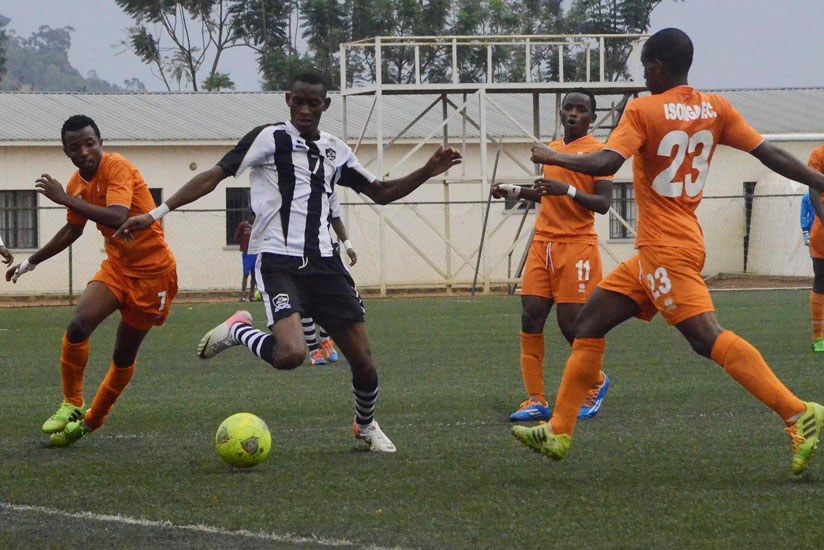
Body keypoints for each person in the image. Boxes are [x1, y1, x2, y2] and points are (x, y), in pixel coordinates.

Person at [513, 28, 824, 476]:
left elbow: (605, 163)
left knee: (706, 337)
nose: (643, 77)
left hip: (665, 249)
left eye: (644, 68)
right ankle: (559, 431)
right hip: (668, 245)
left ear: (658, 67)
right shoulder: (715, 108)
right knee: (588, 324)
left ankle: (799, 412)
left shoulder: (644, 109)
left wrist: (552, 156)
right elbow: (769, 153)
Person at [115, 71, 461, 453]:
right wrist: (154, 214)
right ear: (287, 100)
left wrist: (427, 171)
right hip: (278, 262)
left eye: (314, 104)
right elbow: (214, 175)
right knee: (291, 355)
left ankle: (364, 426)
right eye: (299, 102)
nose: (305, 110)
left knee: (364, 364)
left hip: (327, 266)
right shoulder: (269, 137)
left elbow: (380, 192)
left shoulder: (335, 150)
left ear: (325, 105)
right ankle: (238, 332)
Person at [5, 114, 178, 447]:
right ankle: (72, 404)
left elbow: (117, 217)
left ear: (101, 143)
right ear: (66, 151)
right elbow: (73, 229)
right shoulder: (75, 184)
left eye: (90, 143)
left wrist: (64, 199)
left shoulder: (117, 167)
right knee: (79, 324)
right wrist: (31, 262)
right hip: (117, 268)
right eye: (75, 147)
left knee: (123, 354)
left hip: (153, 275)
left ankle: (92, 421)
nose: (84, 151)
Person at [492, 89, 613, 422]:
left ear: (592, 117)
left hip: (577, 247)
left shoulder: (600, 154)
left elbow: (603, 204)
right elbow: (547, 194)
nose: (574, 113)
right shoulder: (553, 151)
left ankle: (596, 382)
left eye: (581, 109)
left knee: (572, 326)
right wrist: (513, 191)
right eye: (568, 108)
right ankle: (535, 399)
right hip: (542, 244)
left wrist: (569, 190)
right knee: (530, 316)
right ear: (560, 114)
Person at [305, 190, 358, 365]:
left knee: (334, 299)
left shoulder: (330, 189)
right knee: (306, 302)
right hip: (300, 254)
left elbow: (335, 218)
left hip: (327, 253)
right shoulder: (294, 182)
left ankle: (325, 340)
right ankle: (313, 349)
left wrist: (348, 245)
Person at [804, 151, 824, 353]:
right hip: (823, 234)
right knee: (821, 281)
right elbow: (813, 191)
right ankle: (818, 337)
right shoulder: (819, 155)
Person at [235, 211, 257, 301]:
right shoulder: (243, 225)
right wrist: (244, 244)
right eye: (252, 217)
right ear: (249, 217)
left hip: (255, 252)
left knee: (254, 275)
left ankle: (252, 295)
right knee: (246, 274)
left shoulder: (257, 226)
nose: (253, 219)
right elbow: (237, 237)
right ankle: (243, 294)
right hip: (247, 253)